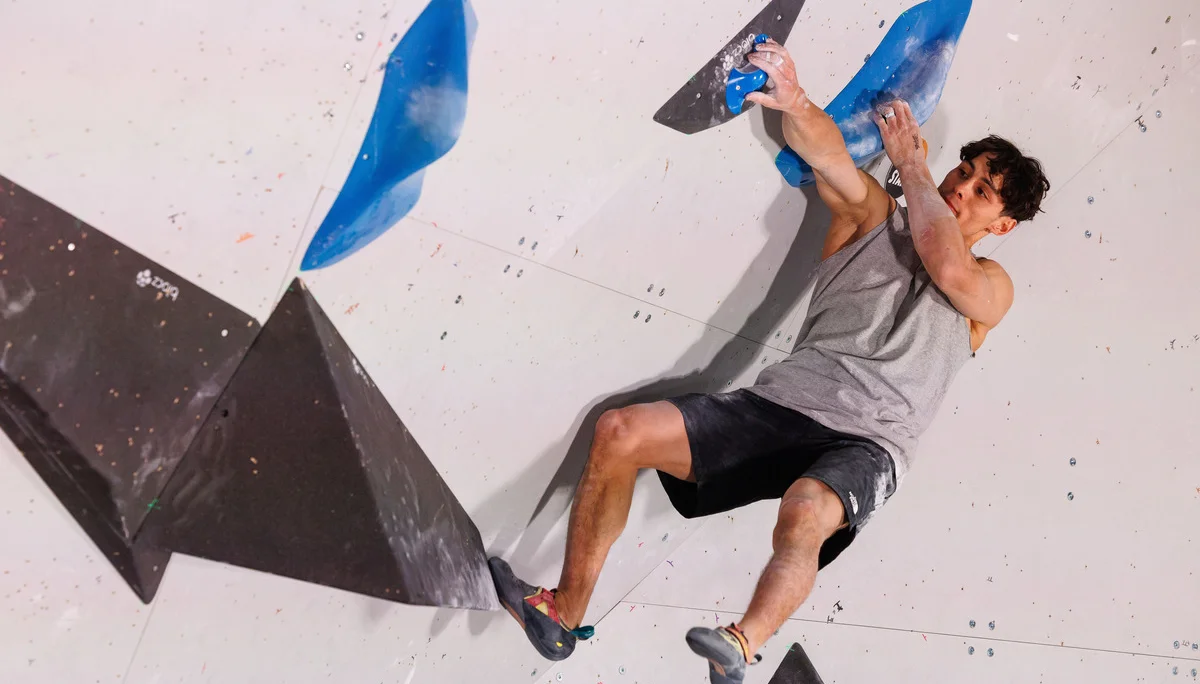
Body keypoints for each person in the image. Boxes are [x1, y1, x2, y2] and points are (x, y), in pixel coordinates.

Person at [488, 39, 1050, 684]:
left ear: (1002, 225)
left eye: (983, 192)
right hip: (785, 403)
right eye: (964, 172)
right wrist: (793, 97)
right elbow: (828, 155)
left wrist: (914, 170)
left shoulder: (991, 286)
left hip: (872, 441)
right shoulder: (873, 215)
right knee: (622, 433)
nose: (962, 188)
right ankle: (564, 614)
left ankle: (740, 646)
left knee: (808, 510)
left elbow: (946, 263)